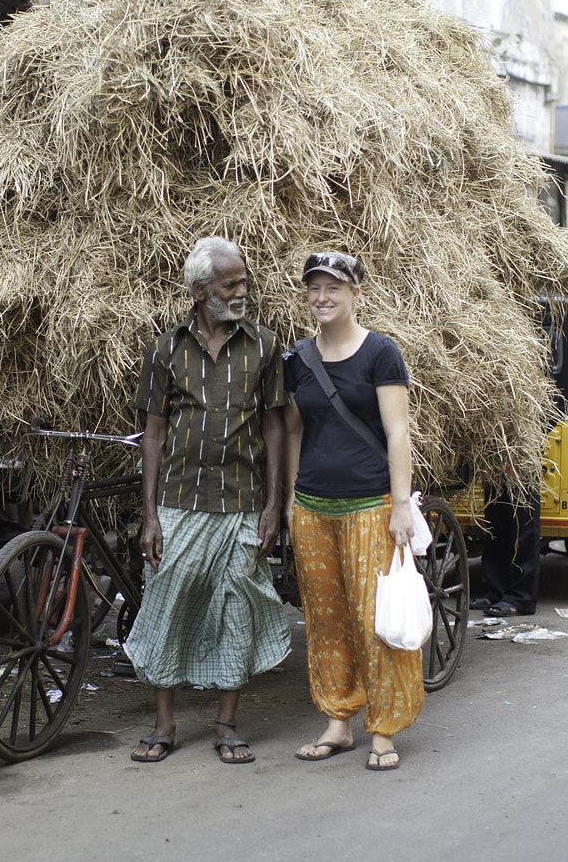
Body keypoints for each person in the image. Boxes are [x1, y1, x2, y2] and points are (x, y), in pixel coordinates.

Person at [124, 237, 291, 765]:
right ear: (200, 291)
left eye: (244, 281)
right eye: (230, 284)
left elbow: (275, 427)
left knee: (236, 608)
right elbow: (152, 432)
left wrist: (273, 506)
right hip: (179, 501)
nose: (243, 291)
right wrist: (149, 514)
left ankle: (226, 724)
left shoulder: (264, 346)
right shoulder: (164, 349)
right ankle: (164, 724)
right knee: (168, 602)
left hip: (242, 504)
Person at [282, 251, 421, 772]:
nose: (322, 297)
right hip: (314, 507)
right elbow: (295, 429)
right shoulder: (296, 359)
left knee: (373, 619)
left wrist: (401, 504)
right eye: (314, 288)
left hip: (370, 505)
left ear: (355, 293)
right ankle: (338, 721)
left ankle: (383, 729)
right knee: (326, 619)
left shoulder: (380, 353)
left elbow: (397, 431)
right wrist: (295, 493)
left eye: (333, 288)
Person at [471, 489, 540, 618]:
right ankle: (496, 590)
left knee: (523, 525)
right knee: (496, 522)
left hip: (521, 471)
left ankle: (522, 598)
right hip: (497, 472)